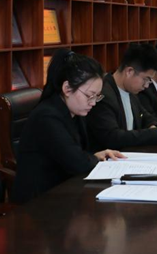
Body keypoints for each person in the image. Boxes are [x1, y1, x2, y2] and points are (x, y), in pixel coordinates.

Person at [12, 50, 125, 204]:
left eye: (97, 96)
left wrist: (95, 156)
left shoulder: (74, 112)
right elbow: (78, 164)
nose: (93, 103)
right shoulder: (47, 117)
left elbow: (76, 155)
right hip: (39, 203)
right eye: (89, 95)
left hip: (64, 193)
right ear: (67, 89)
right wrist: (91, 159)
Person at [87, 43, 157, 151]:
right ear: (129, 72)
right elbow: (113, 137)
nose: (146, 85)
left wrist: (153, 126)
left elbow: (146, 116)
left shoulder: (131, 91)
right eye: (146, 79)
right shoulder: (103, 94)